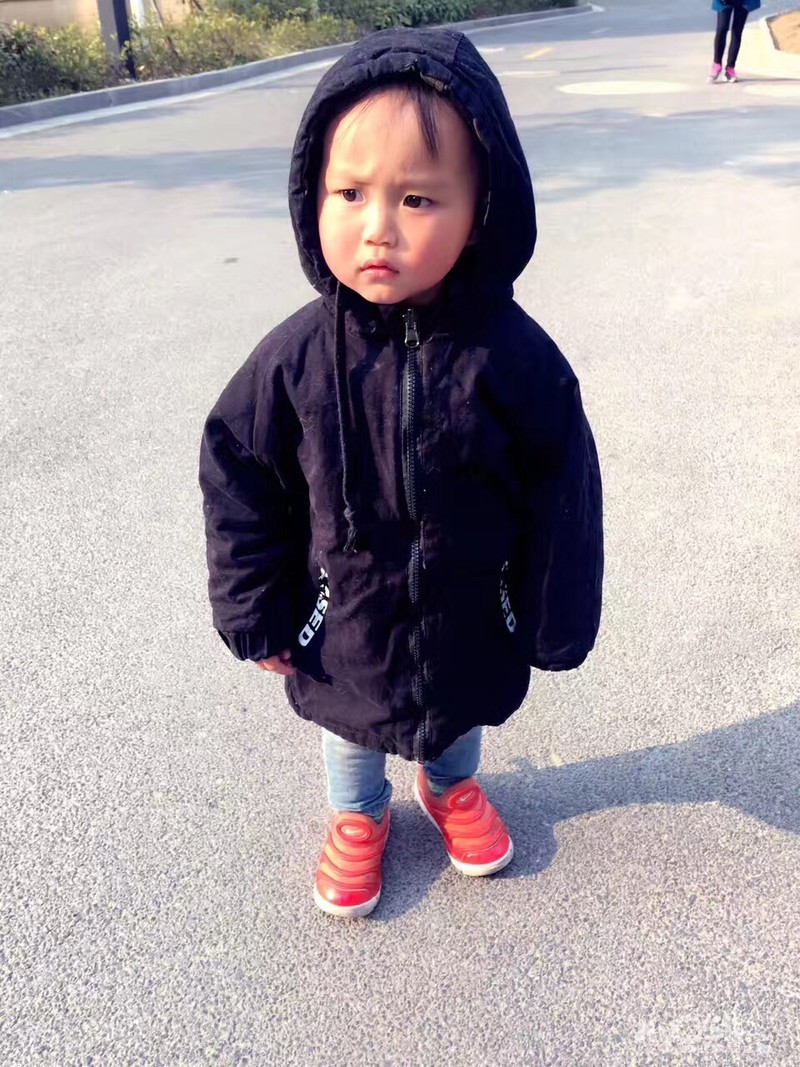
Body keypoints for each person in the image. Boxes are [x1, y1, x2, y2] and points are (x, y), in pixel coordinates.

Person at [199, 27, 603, 918]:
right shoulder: (296, 359)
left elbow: (563, 493)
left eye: (417, 198)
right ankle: (359, 812)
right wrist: (257, 612)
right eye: (349, 193)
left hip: (468, 602)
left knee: (459, 707)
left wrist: (551, 616)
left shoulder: (514, 360)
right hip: (343, 611)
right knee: (349, 720)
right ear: (313, 194)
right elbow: (238, 475)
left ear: (481, 209)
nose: (377, 227)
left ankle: (449, 786)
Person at [709, 0, 760, 83]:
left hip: (743, 1)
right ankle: (717, 64)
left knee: (737, 31)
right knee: (722, 29)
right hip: (724, 2)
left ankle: (730, 68)